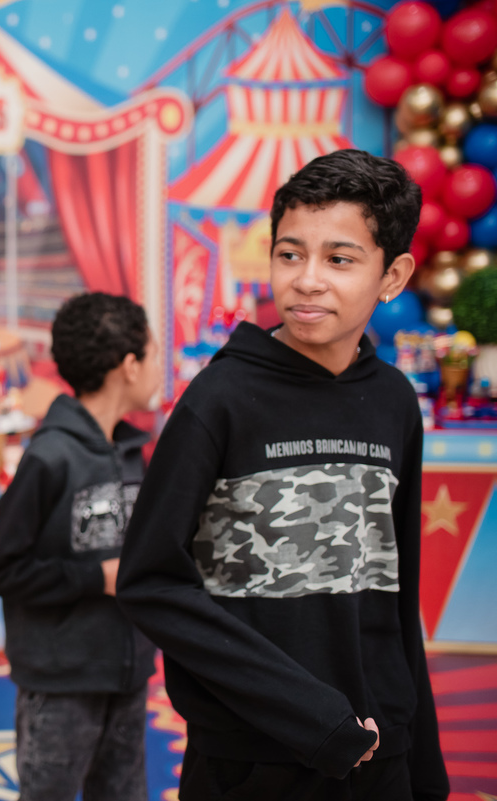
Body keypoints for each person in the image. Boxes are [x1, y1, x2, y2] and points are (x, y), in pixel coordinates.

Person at [116, 149, 450, 801]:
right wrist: (310, 713)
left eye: (340, 259)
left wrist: (423, 763)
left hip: (380, 745)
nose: (307, 279)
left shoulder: (393, 400)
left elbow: (398, 594)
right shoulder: (219, 398)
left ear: (393, 275)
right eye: (290, 253)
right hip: (250, 758)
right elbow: (151, 581)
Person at [0, 292, 161, 801]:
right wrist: (94, 578)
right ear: (128, 366)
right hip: (60, 682)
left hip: (126, 671)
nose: (156, 368)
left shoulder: (133, 453)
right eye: (153, 354)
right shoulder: (50, 456)